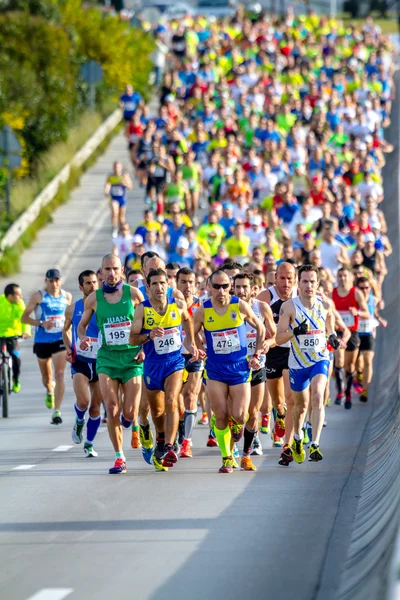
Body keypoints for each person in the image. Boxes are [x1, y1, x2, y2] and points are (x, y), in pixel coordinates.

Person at [78, 255, 144, 474]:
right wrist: (83, 338)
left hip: (131, 358)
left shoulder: (134, 294)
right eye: (107, 269)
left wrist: (144, 347)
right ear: (101, 272)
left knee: (129, 412)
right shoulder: (94, 299)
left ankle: (131, 423)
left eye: (115, 268)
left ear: (122, 270)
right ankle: (119, 457)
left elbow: (147, 321)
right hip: (106, 358)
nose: (111, 273)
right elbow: (82, 326)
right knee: (112, 408)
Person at [193, 270, 265, 474]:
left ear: (230, 286)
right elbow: (190, 331)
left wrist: (256, 353)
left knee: (241, 416)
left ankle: (237, 428)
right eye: (216, 286)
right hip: (215, 368)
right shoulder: (203, 310)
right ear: (209, 287)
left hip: (239, 367)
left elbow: (260, 328)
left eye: (224, 286)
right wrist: (197, 348)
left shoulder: (239, 305)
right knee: (221, 415)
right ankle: (227, 458)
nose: (220, 290)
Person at [130, 268, 200, 470]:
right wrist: (148, 336)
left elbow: (188, 320)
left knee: (171, 400)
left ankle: (170, 446)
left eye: (163, 283)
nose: (159, 287)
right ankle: (160, 437)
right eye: (154, 284)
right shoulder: (142, 309)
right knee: (157, 411)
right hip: (152, 365)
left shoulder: (177, 304)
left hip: (174, 362)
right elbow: (132, 338)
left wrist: (192, 344)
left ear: (168, 285)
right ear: (148, 287)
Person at [276, 265, 344, 464]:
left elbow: (330, 330)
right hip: (297, 364)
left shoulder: (325, 305)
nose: (309, 286)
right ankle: (297, 438)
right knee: (299, 406)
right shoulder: (289, 307)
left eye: (312, 281)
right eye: (305, 281)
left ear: (318, 283)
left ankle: (314, 443)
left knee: (317, 395)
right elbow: (279, 338)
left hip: (319, 359)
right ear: (298, 283)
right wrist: (295, 331)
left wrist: (333, 338)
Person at [233, 273, 276, 470]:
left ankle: (246, 454)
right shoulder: (229, 307)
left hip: (257, 364)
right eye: (238, 287)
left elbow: (274, 334)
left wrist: (267, 343)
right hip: (234, 366)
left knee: (254, 412)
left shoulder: (262, 307)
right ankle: (230, 450)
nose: (241, 291)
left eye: (245, 287)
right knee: (237, 413)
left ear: (253, 289)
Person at [22, 269, 71, 425]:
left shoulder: (66, 297)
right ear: (46, 281)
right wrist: (41, 323)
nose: (54, 283)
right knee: (47, 378)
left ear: (60, 281)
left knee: (60, 374)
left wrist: (69, 333)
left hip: (59, 339)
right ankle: (49, 390)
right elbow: (24, 318)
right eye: (51, 281)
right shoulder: (39, 296)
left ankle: (57, 411)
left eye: (56, 280)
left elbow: (69, 317)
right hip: (42, 341)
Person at [62, 271, 102, 457]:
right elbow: (66, 331)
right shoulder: (72, 308)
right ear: (81, 287)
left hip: (102, 361)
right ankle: (79, 421)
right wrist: (69, 348)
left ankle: (89, 444)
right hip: (81, 361)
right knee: (84, 401)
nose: (92, 285)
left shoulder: (106, 306)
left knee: (95, 407)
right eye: (88, 283)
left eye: (94, 282)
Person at [258, 263, 297, 448]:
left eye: (290, 278)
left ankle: (288, 443)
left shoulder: (300, 296)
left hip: (293, 351)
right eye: (282, 278)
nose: (286, 282)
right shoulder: (266, 297)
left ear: (295, 279)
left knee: (291, 398)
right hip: (272, 351)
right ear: (275, 277)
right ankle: (280, 416)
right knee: (277, 400)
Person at [331, 267, 370, 409]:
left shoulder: (356, 293)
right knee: (339, 361)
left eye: (345, 276)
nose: (342, 278)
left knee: (350, 366)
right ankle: (340, 391)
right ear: (337, 277)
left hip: (352, 333)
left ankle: (348, 393)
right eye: (340, 275)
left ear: (350, 277)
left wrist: (357, 312)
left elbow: (367, 313)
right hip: (338, 332)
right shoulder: (332, 294)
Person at [176, 268, 204, 458]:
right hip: (174, 357)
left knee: (191, 395)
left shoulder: (201, 305)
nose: (187, 286)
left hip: (194, 355)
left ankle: (186, 441)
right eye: (183, 282)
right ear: (176, 283)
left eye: (191, 282)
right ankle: (178, 434)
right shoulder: (170, 303)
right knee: (175, 399)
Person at [355, 276, 387, 403]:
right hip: (356, 333)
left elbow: (373, 312)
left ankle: (365, 390)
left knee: (368, 361)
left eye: (367, 288)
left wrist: (379, 319)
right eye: (361, 288)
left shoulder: (373, 300)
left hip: (368, 332)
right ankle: (359, 374)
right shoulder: (354, 299)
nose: (364, 290)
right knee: (358, 362)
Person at [0, 284, 31, 393]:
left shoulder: (20, 304)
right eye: (18, 295)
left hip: (12, 336)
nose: (21, 297)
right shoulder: (1, 302)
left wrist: (26, 331)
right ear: (10, 296)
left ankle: (16, 379)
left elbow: (24, 319)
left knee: (16, 359)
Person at [104, 162, 133, 238]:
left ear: (121, 168)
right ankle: (114, 228)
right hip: (114, 198)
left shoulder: (124, 176)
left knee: (121, 217)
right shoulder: (111, 177)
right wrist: (106, 191)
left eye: (118, 167)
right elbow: (107, 185)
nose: (116, 169)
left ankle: (122, 230)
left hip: (122, 198)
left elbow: (130, 186)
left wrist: (125, 184)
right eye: (115, 167)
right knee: (115, 212)